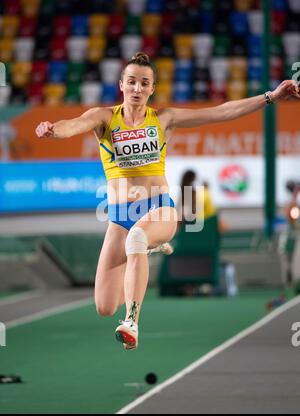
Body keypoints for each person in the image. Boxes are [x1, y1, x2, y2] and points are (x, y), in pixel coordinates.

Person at [36, 52, 300, 350]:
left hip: (158, 208)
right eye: (132, 82)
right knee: (104, 305)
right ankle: (145, 252)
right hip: (121, 216)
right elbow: (72, 125)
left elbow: (221, 112)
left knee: (136, 238)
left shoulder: (164, 118)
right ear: (121, 85)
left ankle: (132, 321)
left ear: (152, 88)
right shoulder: (104, 118)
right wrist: (52, 130)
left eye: (144, 83)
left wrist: (270, 96)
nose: (137, 88)